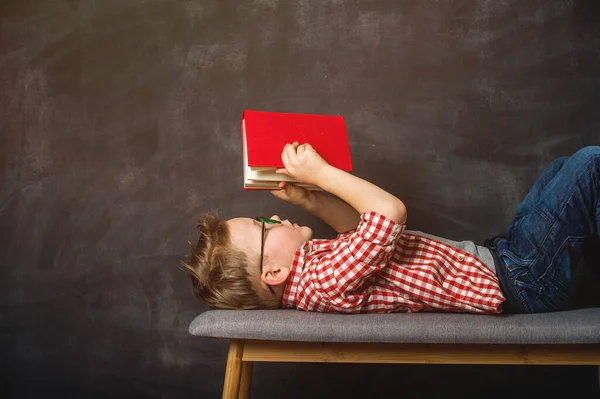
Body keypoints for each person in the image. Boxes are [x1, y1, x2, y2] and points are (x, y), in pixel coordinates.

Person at [182, 143, 600, 314]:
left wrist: (311, 200)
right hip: (521, 280)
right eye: (263, 226)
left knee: (561, 171)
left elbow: (362, 234)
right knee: (589, 165)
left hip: (502, 258)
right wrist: (323, 173)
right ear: (272, 272)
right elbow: (388, 213)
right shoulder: (324, 282)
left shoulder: (313, 272)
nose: (271, 218)